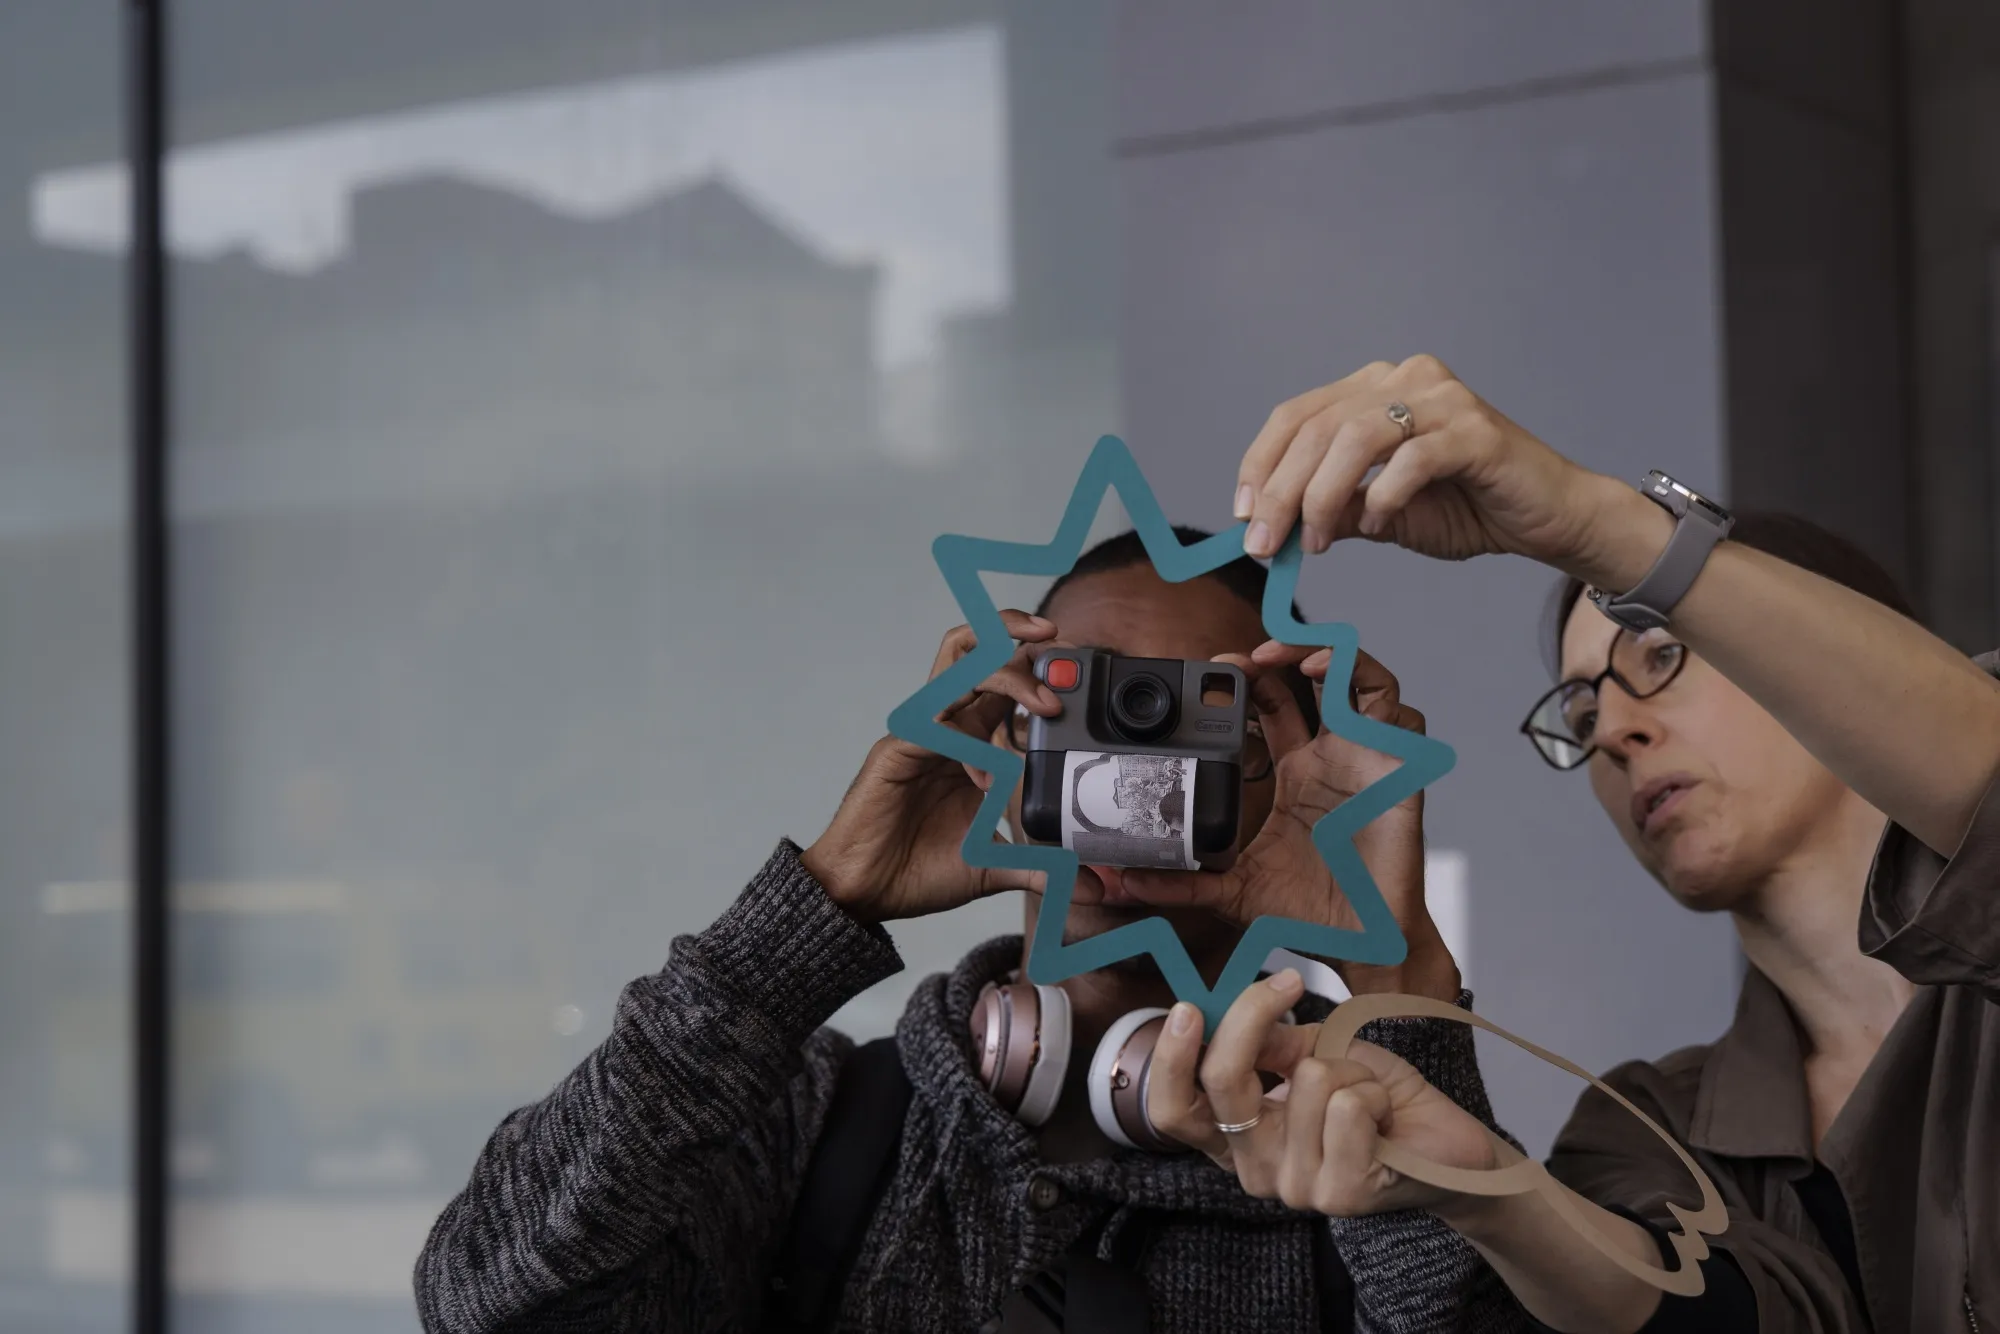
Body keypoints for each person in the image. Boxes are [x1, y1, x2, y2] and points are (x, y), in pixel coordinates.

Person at [412, 526, 1534, 1333]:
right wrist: (822, 900)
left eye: (1190, 713)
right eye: (1082, 700)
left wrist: (1396, 991)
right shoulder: (819, 1123)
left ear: (1283, 765)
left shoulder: (1345, 1152)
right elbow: (485, 1293)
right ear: (1001, 727)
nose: (1128, 760)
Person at [1132, 355, 2000, 1333]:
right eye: (1581, 706)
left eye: (1658, 653)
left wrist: (1592, 523)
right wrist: (1491, 1193)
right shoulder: (1648, 1127)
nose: (1615, 730)